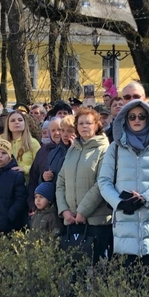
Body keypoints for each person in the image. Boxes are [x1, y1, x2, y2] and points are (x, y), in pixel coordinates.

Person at [98, 99, 149, 270]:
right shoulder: (114, 148)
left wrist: (145, 198)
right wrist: (119, 202)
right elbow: (104, 181)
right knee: (125, 286)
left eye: (141, 116)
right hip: (124, 226)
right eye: (132, 117)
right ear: (125, 119)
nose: (137, 120)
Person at [56, 108, 111, 263]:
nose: (84, 126)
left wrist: (82, 212)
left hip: (95, 222)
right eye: (81, 123)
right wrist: (65, 210)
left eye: (88, 123)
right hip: (72, 221)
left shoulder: (105, 150)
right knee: (74, 272)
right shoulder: (73, 149)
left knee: (96, 270)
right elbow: (61, 182)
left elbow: (101, 183)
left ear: (97, 125)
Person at [28, 117, 61, 211]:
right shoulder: (42, 151)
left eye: (59, 129)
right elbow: (33, 179)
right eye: (53, 130)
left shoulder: (70, 150)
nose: (57, 133)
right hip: (44, 209)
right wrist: (33, 205)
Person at [0, 110, 40, 183]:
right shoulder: (2, 142)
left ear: (24, 123)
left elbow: (40, 165)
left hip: (27, 184)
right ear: (8, 125)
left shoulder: (33, 143)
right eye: (12, 120)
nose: (17, 122)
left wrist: (25, 169)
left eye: (20, 120)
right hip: (6, 184)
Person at [42, 115, 75, 190]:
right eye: (62, 130)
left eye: (70, 131)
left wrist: (73, 150)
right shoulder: (53, 153)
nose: (65, 134)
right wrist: (43, 177)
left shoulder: (82, 152)